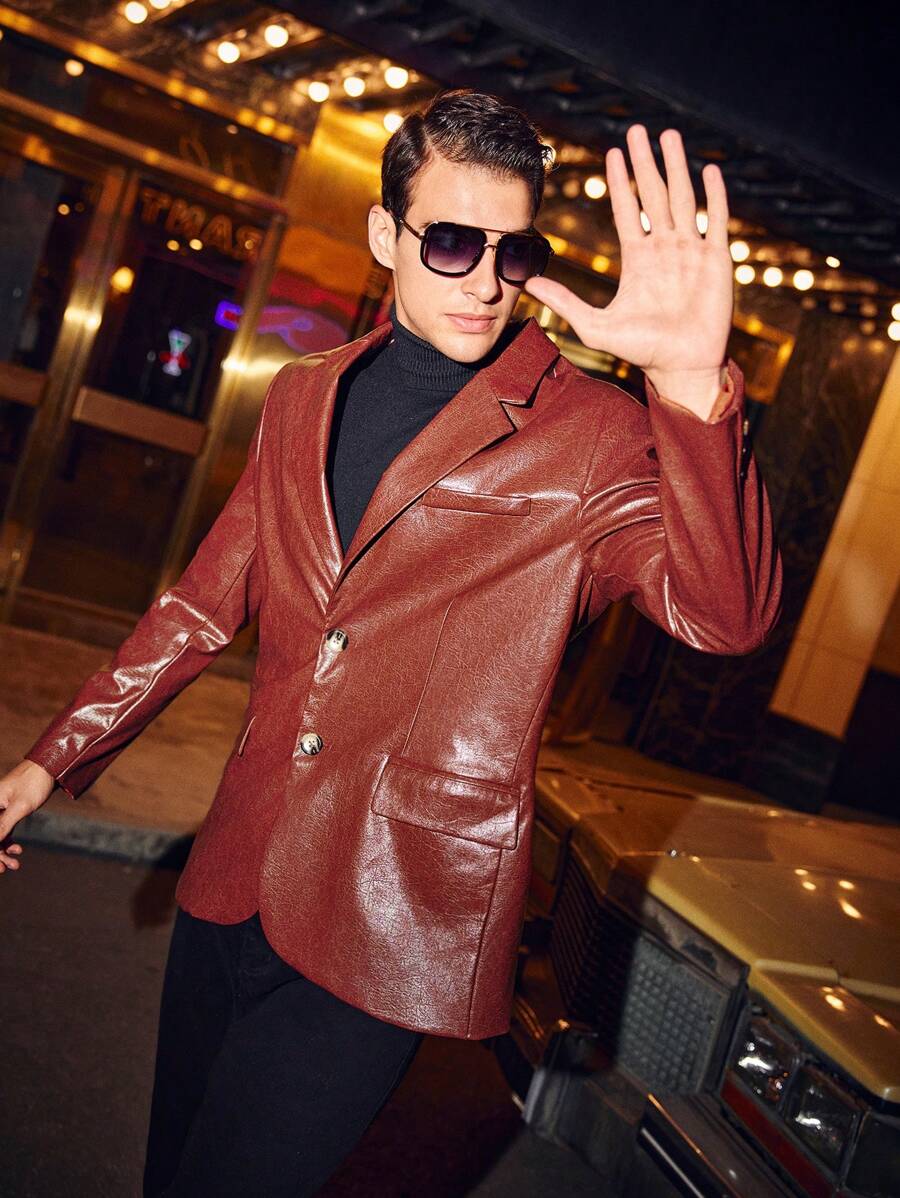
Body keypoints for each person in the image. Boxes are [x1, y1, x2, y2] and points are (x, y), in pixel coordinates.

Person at [0, 89, 782, 1195]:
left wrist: (692, 390)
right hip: (235, 872)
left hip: (396, 910)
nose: (486, 280)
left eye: (515, 252)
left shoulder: (593, 434)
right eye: (452, 241)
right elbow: (201, 604)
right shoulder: (301, 395)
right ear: (386, 234)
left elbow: (726, 615)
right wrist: (52, 758)